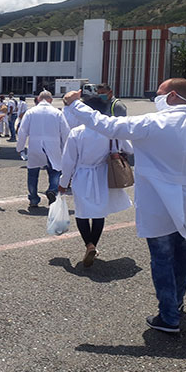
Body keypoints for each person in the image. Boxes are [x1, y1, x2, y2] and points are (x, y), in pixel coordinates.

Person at [63, 78, 186, 333]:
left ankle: (169, 315)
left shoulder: (152, 123)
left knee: (162, 258)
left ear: (172, 96)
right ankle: (176, 304)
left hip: (158, 203)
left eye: (160, 94)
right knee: (184, 254)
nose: (157, 99)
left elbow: (107, 125)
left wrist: (75, 104)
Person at [59, 96, 132, 267]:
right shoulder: (111, 130)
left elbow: (68, 161)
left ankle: (88, 245)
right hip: (104, 173)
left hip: (83, 174)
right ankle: (94, 245)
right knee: (99, 211)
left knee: (82, 211)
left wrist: (63, 182)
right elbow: (129, 148)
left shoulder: (77, 132)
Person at [16, 90, 70, 208]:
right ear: (51, 100)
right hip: (53, 146)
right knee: (55, 171)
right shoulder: (58, 113)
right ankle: (53, 190)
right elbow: (66, 133)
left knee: (32, 173)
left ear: (38, 99)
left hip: (35, 146)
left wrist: (20, 148)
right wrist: (67, 149)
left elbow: (22, 131)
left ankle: (34, 199)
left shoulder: (30, 112)